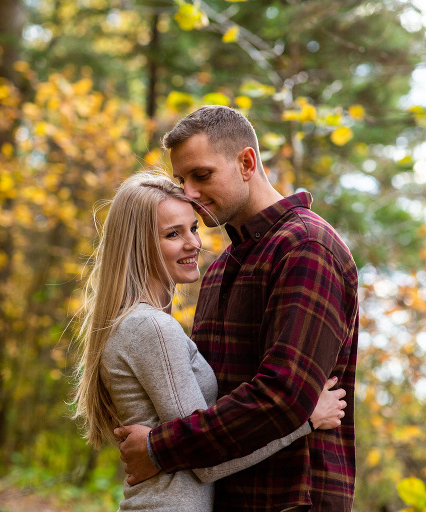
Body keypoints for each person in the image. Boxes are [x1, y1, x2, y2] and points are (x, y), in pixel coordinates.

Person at [115, 106, 359, 511]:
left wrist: (159, 447)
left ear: (247, 162)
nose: (188, 193)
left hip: (291, 498)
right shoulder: (218, 270)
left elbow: (283, 397)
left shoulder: (306, 247)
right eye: (181, 179)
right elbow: (203, 401)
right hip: (226, 495)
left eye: (202, 175)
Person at [73, 170, 347, 511]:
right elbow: (207, 458)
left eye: (194, 228)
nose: (194, 243)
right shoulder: (151, 327)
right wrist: (305, 419)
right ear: (138, 244)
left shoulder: (139, 323)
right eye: (173, 234)